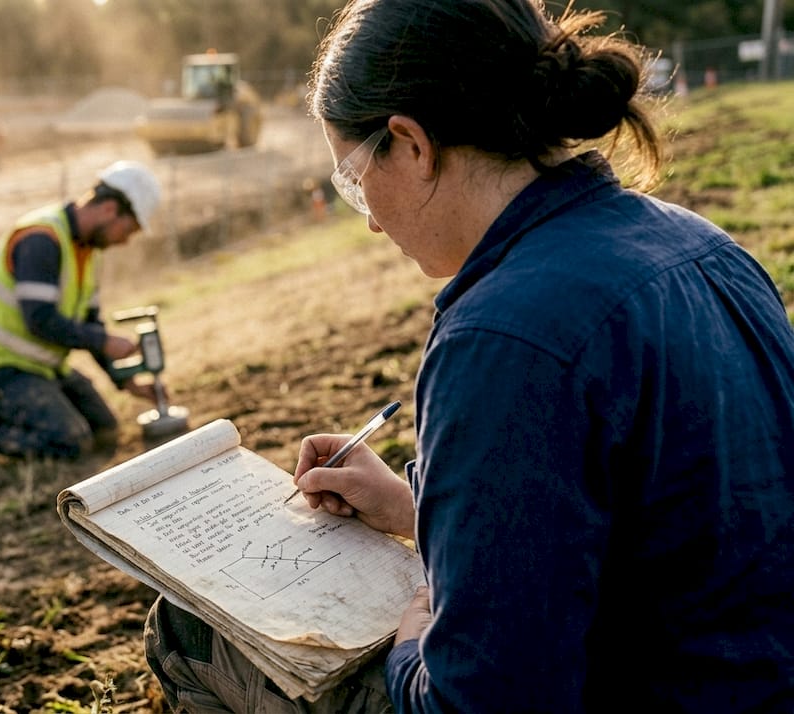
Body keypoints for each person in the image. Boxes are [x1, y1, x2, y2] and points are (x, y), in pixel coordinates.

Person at [143, 0, 794, 712]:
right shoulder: (704, 248)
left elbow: (483, 700)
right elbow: (650, 522)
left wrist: (410, 646)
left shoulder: (504, 337)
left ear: (411, 143)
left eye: (353, 179)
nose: (365, 217)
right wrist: (411, 504)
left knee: (187, 630)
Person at [0, 161, 163, 468]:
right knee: (71, 441)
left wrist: (125, 381)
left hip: (42, 367)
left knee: (105, 431)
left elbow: (89, 325)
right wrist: (103, 341)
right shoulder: (41, 239)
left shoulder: (88, 251)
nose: (125, 240)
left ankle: (8, 409)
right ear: (110, 209)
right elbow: (41, 321)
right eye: (128, 230)